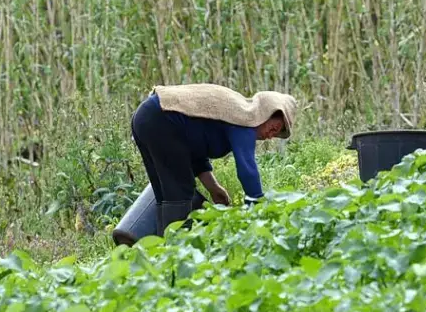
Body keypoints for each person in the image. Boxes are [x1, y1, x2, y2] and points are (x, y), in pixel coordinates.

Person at [122, 83, 297, 241]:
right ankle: (174, 251)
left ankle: (160, 250)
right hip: (162, 117)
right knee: (180, 191)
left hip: (146, 117)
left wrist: (214, 188)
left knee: (164, 194)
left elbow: (193, 150)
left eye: (276, 134)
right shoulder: (246, 120)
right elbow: (247, 170)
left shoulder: (234, 116)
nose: (270, 135)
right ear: (264, 113)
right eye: (273, 128)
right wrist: (258, 210)